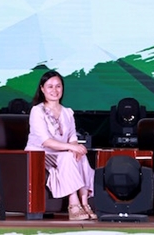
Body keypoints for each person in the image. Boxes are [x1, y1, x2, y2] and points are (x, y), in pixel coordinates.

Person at [25, 70, 96, 221]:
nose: (54, 90)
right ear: (42, 89)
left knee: (79, 157)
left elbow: (72, 138)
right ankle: (73, 203)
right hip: (40, 154)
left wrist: (76, 148)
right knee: (68, 156)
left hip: (61, 153)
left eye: (58, 86)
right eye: (50, 86)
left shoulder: (67, 112)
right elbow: (46, 141)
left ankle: (85, 203)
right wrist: (71, 148)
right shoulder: (37, 111)